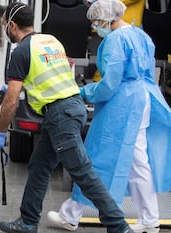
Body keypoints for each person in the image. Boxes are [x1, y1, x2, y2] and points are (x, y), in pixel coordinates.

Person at [0, 2, 134, 233]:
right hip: (70, 106)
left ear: (12, 25)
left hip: (60, 114)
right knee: (39, 165)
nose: (5, 29)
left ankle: (119, 225)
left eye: (4, 25)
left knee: (82, 172)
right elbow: (64, 67)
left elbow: (11, 101)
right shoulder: (51, 40)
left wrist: (0, 132)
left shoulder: (20, 52)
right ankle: (27, 222)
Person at [47, 0, 171, 233]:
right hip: (143, 99)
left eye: (96, 21)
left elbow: (110, 83)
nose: (95, 27)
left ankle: (70, 215)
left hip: (122, 105)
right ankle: (150, 219)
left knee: (97, 157)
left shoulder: (115, 40)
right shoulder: (140, 34)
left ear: (106, 18)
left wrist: (82, 91)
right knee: (138, 163)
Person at [84, 0, 145, 82]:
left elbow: (110, 82)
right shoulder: (144, 39)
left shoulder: (118, 37)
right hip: (142, 91)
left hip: (124, 20)